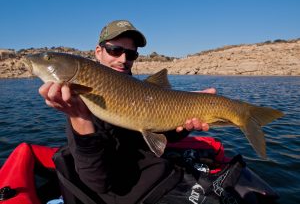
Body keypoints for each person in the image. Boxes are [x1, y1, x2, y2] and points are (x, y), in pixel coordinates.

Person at [39, 20, 217, 203]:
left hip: (168, 176)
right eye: (114, 50)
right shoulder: (81, 104)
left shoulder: (142, 90)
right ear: (98, 52)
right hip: (137, 196)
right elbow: (98, 182)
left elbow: (163, 135)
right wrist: (79, 118)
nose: (123, 59)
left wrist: (186, 123)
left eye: (130, 54)